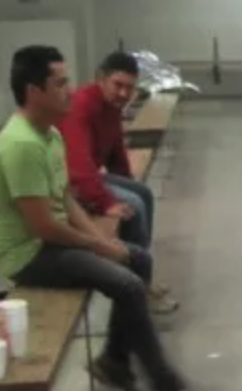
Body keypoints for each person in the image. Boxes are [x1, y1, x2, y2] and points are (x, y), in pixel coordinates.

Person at [0, 45, 218, 391]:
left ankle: (115, 360)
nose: (69, 90)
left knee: (137, 258)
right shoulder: (22, 145)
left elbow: (64, 199)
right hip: (29, 255)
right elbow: (43, 226)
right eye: (60, 83)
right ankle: (167, 387)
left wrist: (101, 239)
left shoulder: (48, 134)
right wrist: (98, 245)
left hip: (50, 240)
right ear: (33, 91)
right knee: (125, 284)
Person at [61, 50, 179, 314]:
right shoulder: (82, 105)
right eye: (118, 85)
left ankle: (141, 277)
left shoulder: (111, 107)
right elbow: (78, 167)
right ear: (100, 79)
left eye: (130, 87)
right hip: (70, 187)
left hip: (88, 178)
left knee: (143, 194)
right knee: (133, 204)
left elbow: (115, 153)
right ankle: (137, 288)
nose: (124, 94)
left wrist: (126, 183)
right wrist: (106, 203)